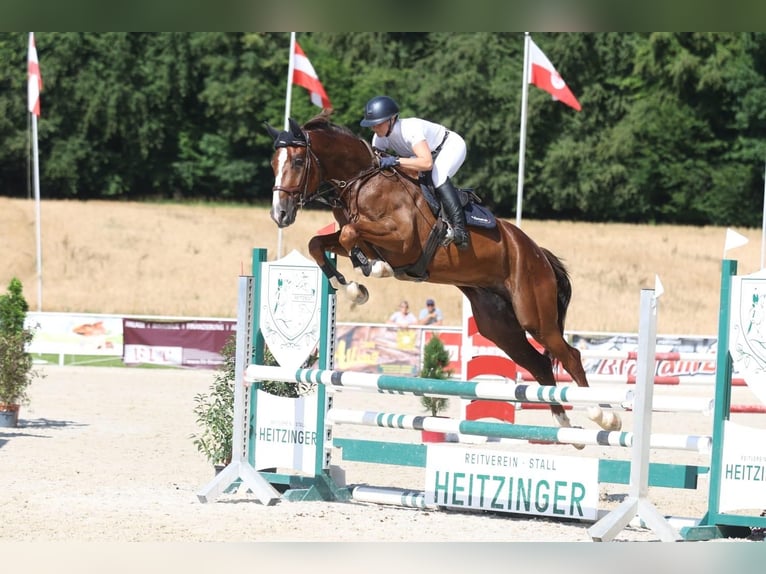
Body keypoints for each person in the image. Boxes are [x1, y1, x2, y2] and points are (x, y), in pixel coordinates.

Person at [360, 95, 470, 250]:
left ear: (391, 119)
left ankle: (460, 231)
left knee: (438, 177)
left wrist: (396, 160)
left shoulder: (410, 130)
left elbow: (426, 163)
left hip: (449, 147)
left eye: (377, 124)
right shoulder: (379, 138)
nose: (374, 128)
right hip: (423, 156)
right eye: (372, 125)